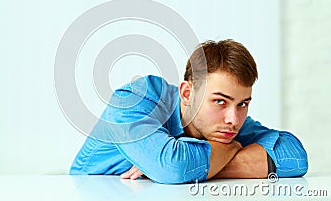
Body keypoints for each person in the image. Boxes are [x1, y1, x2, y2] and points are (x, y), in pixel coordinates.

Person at [70, 39, 308, 184]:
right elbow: (173, 168)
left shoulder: (222, 124)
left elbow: (295, 157)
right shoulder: (133, 101)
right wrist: (235, 151)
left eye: (243, 104)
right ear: (187, 94)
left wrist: (200, 164)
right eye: (220, 102)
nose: (234, 120)